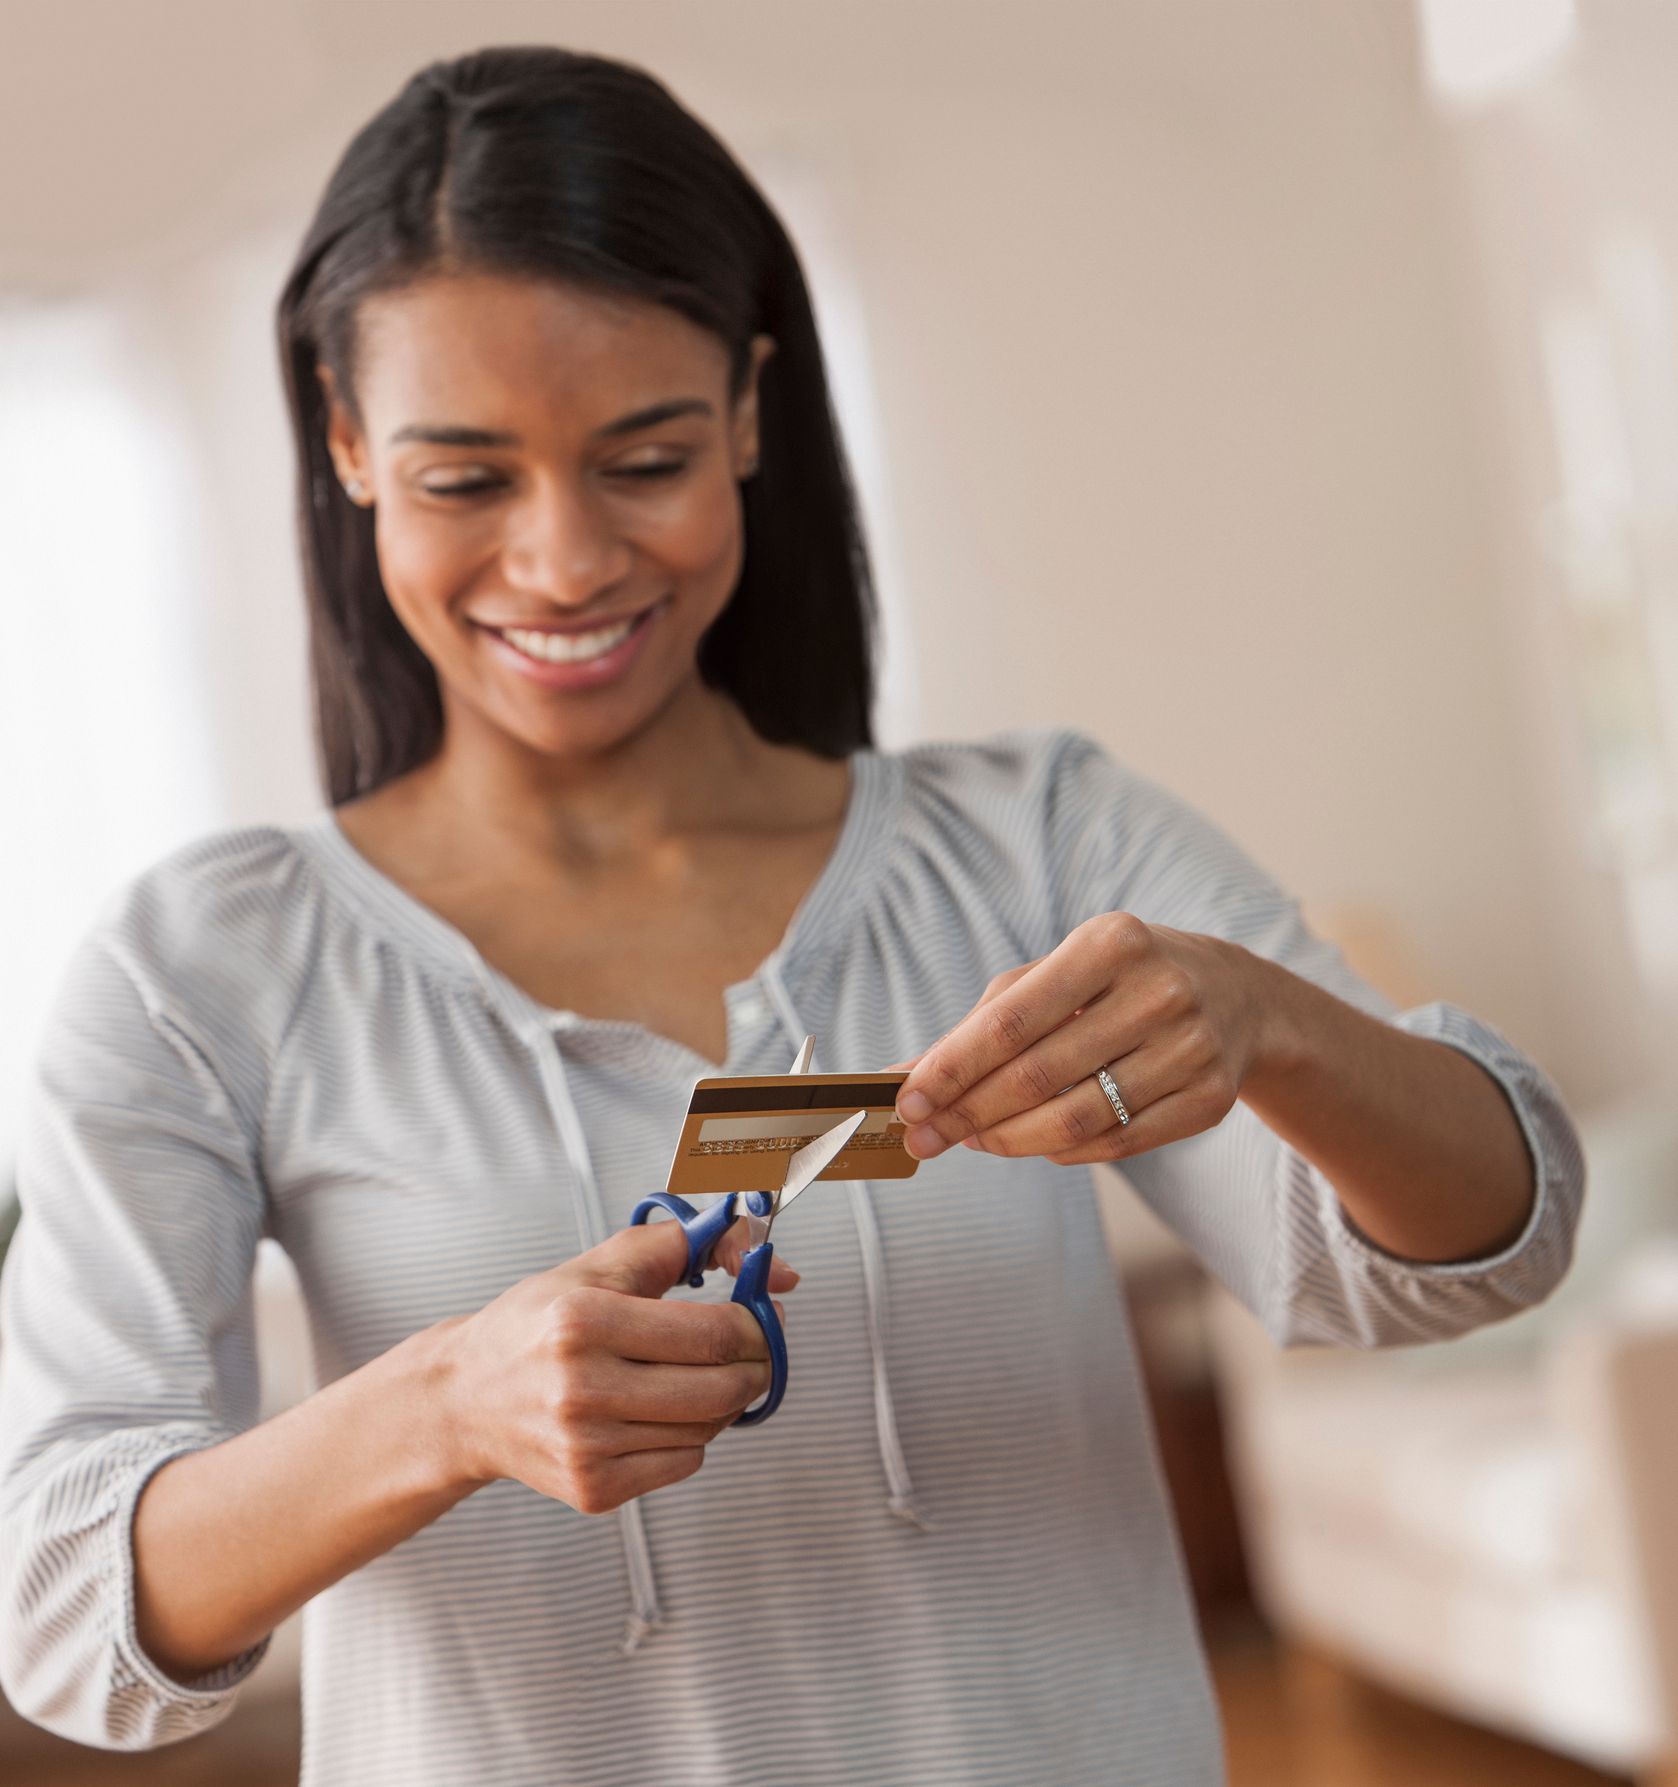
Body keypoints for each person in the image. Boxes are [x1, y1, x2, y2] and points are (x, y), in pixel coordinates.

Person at [0, 45, 1583, 1787]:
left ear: (750, 412)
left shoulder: (1035, 841)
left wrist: (1275, 1027)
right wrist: (441, 1408)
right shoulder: (193, 975)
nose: (565, 561)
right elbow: (67, 1614)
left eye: (645, 457)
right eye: (467, 480)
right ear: (346, 441)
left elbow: (1481, 1250)